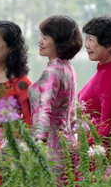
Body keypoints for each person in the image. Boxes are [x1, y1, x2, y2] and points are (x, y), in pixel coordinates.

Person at [28, 15, 82, 170]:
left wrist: (39, 142)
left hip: (50, 148)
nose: (40, 41)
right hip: (67, 143)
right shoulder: (68, 68)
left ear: (59, 41)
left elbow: (45, 109)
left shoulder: (52, 71)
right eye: (40, 36)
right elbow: (70, 111)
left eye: (45, 37)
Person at [77, 16, 111, 149]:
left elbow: (107, 129)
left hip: (97, 156)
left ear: (110, 44)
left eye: (91, 39)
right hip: (88, 150)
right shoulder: (104, 70)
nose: (86, 45)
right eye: (86, 38)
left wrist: (81, 145)